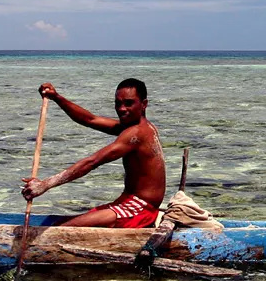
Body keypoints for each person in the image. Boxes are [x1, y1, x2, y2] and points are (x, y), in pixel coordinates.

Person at [21, 79, 167, 227]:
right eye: (118, 103)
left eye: (129, 103)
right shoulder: (135, 126)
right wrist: (56, 97)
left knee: (62, 229)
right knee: (61, 224)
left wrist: (45, 185)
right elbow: (90, 119)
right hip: (128, 202)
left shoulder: (136, 133)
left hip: (140, 209)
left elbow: (93, 162)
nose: (122, 109)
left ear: (143, 104)